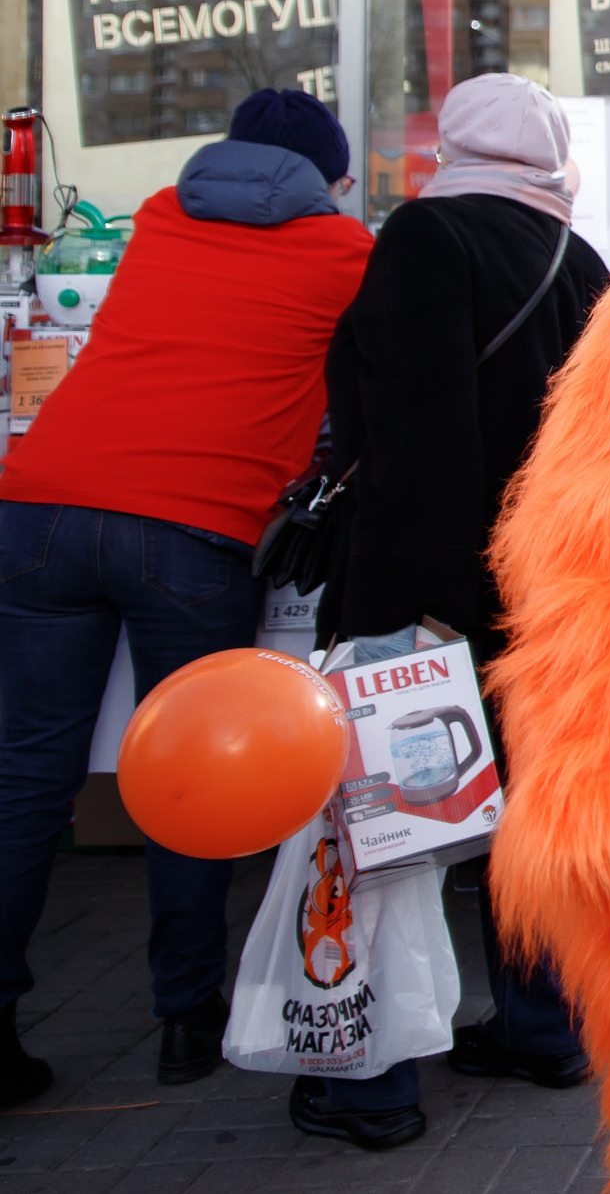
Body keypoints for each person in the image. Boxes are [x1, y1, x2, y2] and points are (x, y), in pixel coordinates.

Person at [0, 90, 372, 1107]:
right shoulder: (343, 255)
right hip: (191, 530)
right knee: (187, 781)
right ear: (328, 181)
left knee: (27, 779)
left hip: (37, 511)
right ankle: (184, 1018)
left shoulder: (163, 217)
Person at [289, 73, 610, 1152]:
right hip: (553, 592)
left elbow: (419, 429)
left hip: (435, 586)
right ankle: (542, 1028)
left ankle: (375, 1084)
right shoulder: (583, 260)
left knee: (395, 833)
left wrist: (415, 606)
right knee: (529, 822)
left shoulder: (429, 239)